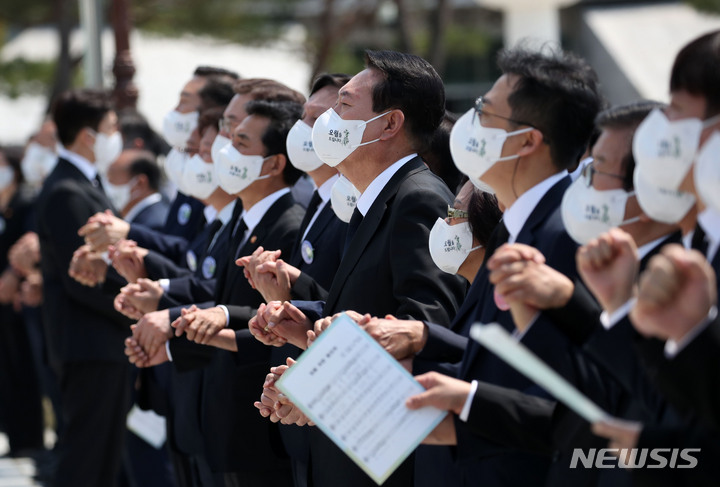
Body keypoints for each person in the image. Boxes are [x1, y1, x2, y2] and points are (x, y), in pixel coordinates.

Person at [254, 49, 467, 487]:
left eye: (343, 105)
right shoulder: (374, 201)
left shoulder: (417, 198)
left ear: (390, 124)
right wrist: (308, 326)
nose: (328, 120)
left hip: (384, 460)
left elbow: (428, 323)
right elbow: (369, 305)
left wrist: (319, 378)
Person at [36, 89, 131, 487]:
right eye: (111, 127)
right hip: (90, 344)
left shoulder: (82, 183)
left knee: (104, 455)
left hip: (101, 342)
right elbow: (86, 279)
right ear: (88, 135)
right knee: (86, 456)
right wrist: (138, 305)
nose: (117, 136)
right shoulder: (66, 191)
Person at [0, 147, 45, 457]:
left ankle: (29, 441)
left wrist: (14, 276)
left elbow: (29, 245)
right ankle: (17, 438)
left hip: (20, 301)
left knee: (24, 369)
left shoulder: (26, 202)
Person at [105, 149, 169, 230]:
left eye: (112, 178)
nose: (107, 184)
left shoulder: (152, 226)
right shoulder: (138, 219)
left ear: (140, 183)